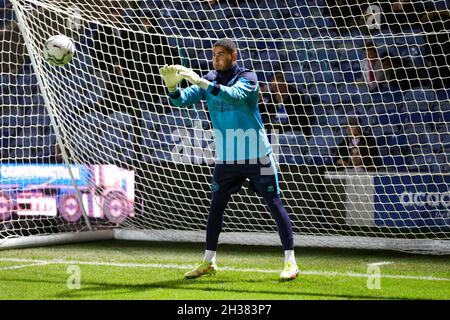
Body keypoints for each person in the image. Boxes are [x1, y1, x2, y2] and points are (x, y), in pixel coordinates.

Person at [159, 38, 299, 281]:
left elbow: (233, 96)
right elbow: (181, 100)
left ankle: (291, 262)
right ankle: (208, 261)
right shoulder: (209, 78)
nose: (216, 59)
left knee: (274, 204)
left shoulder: (249, 78)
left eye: (221, 54)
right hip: (227, 159)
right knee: (216, 208)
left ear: (234, 56)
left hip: (258, 155)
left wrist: (201, 82)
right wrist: (172, 88)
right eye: (214, 55)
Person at [259, 72, 313, 136]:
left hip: (294, 129)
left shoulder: (296, 94)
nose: (276, 89)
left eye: (278, 86)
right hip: (278, 129)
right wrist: (260, 100)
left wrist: (283, 101)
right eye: (274, 87)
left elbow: (296, 115)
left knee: (281, 138)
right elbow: (267, 113)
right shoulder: (273, 95)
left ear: (285, 84)